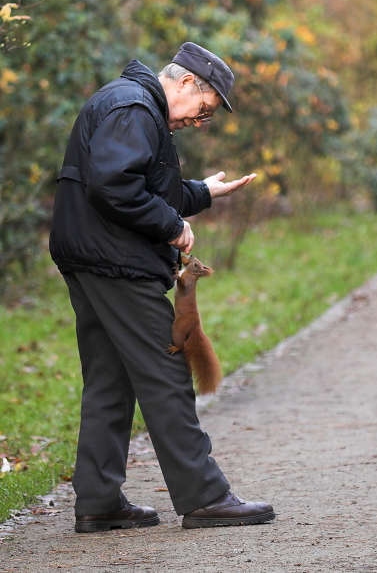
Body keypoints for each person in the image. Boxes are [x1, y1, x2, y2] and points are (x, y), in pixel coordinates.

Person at [49, 41, 275, 533]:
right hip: (115, 260)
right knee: (168, 369)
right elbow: (114, 187)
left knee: (110, 380)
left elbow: (138, 184)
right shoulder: (133, 107)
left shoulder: (133, 106)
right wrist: (172, 225)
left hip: (92, 255)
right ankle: (204, 497)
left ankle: (98, 502)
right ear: (188, 82)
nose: (199, 121)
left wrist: (200, 193)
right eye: (204, 109)